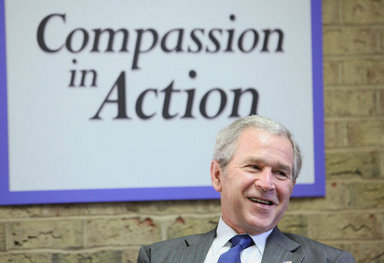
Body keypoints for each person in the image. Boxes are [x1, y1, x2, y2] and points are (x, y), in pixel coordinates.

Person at [137, 115, 355, 263]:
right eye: (254, 167)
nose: (267, 184)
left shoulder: (328, 260)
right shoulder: (158, 257)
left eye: (281, 173)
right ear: (217, 175)